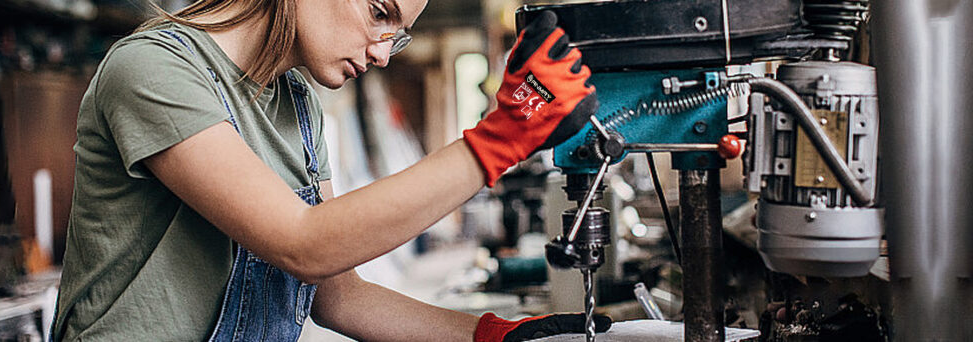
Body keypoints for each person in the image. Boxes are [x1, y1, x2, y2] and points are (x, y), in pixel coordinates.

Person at [50, 0, 608, 340]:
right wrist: (498, 141)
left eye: (400, 30)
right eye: (379, 12)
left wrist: (491, 336)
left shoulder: (296, 103)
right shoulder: (153, 70)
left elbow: (338, 296)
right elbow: (303, 246)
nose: (386, 53)